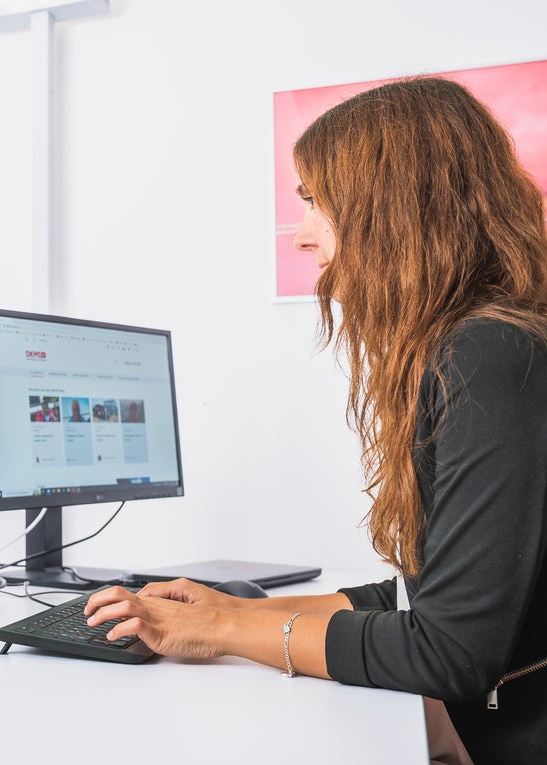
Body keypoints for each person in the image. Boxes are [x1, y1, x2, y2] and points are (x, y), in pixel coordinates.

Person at [85, 77, 547, 764]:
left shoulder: (491, 353)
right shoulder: (486, 341)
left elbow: (448, 649)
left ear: (392, 206)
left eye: (316, 202)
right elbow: (422, 597)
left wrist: (217, 631)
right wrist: (232, 609)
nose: (302, 235)